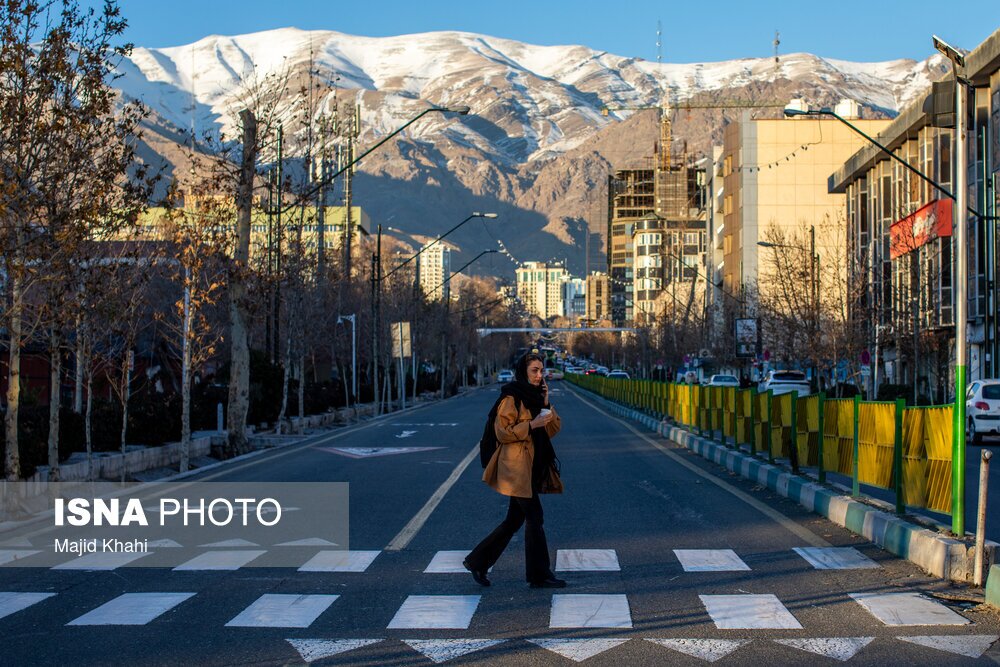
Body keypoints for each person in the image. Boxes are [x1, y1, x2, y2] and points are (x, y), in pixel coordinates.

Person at [464, 353, 566, 588]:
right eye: (534, 370)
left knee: (513, 520)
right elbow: (503, 432)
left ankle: (478, 561)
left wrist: (547, 403)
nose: (539, 375)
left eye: (541, 370)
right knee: (535, 517)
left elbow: (553, 429)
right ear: (523, 371)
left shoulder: (536, 397)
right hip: (516, 468)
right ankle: (539, 575)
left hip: (532, 467)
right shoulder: (512, 397)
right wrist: (531, 425)